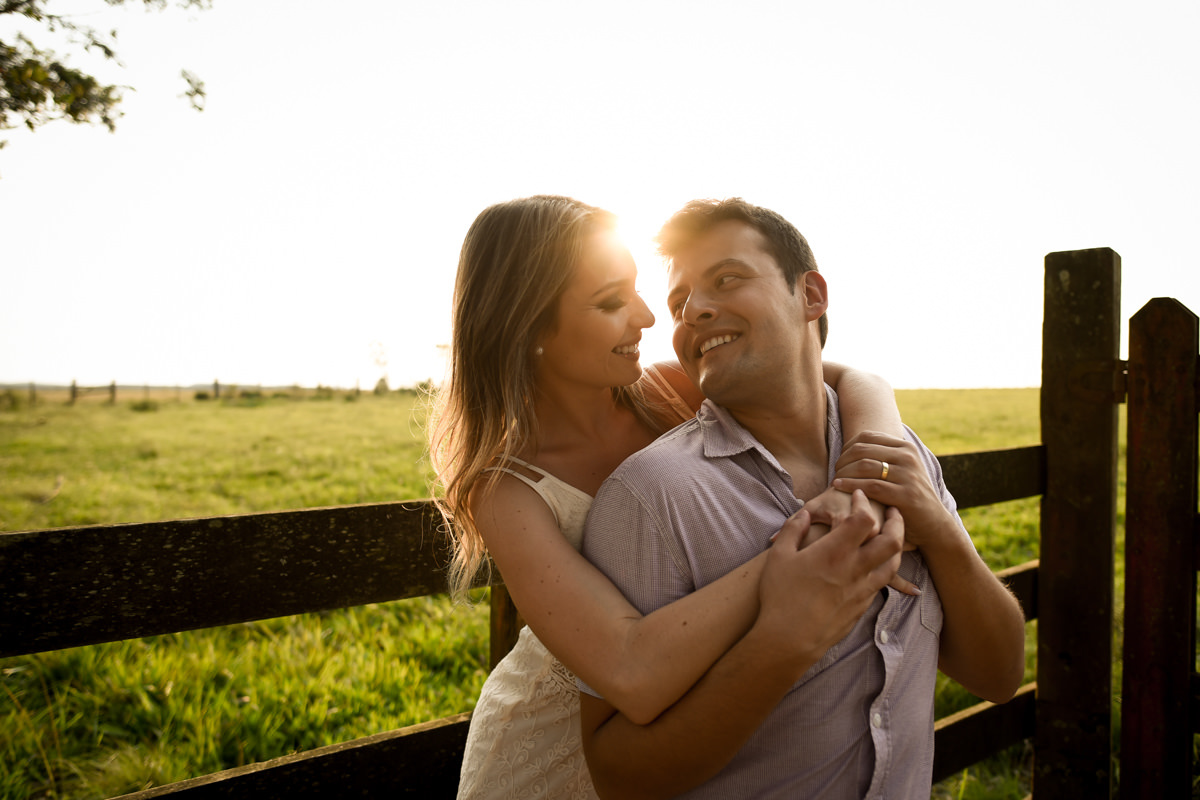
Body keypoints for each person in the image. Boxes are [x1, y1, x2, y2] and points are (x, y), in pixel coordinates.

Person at [429, 195, 911, 800]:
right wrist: (809, 548)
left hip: (695, 731)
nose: (648, 318)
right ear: (529, 330)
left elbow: (849, 377)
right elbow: (630, 669)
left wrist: (869, 463)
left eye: (635, 290)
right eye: (611, 303)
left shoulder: (668, 391)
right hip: (560, 760)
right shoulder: (506, 489)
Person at [578, 198, 1027, 799]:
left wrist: (939, 531)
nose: (695, 310)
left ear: (811, 296)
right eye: (680, 303)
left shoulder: (899, 452)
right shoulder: (651, 495)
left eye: (727, 279)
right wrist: (785, 640)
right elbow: (617, 778)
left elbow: (999, 675)